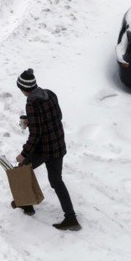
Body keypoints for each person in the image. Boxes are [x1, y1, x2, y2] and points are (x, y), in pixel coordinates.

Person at [14, 68, 81, 231]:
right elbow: (56, 116)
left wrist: (23, 153)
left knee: (22, 169)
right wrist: (32, 120)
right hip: (58, 145)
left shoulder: (31, 102)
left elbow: (35, 135)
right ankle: (71, 218)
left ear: (24, 88)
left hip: (44, 148)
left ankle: (26, 204)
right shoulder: (49, 94)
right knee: (57, 181)